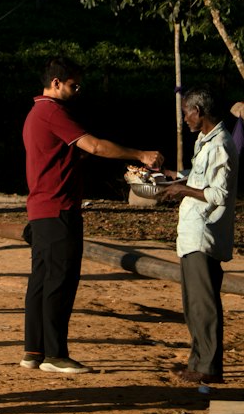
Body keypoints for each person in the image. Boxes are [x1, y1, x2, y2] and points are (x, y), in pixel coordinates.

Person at [22, 55, 162, 375]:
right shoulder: (52, 112)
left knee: (42, 282)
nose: (78, 90)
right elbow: (95, 146)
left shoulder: (35, 113)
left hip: (42, 209)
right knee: (61, 281)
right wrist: (140, 153)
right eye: (74, 84)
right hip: (59, 210)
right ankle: (55, 354)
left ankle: (34, 350)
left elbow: (68, 157)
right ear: (56, 83)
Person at [159, 87, 239, 386]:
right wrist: (174, 177)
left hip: (205, 234)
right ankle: (199, 362)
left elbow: (219, 193)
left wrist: (182, 189)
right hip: (194, 233)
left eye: (186, 113)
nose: (185, 119)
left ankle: (208, 366)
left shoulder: (220, 144)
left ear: (199, 111)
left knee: (203, 304)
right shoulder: (206, 141)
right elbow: (201, 179)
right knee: (194, 304)